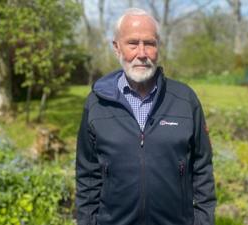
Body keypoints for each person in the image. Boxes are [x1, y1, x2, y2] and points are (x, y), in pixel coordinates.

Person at [76, 8, 216, 225]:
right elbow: (88, 176)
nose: (142, 53)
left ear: (157, 47)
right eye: (133, 43)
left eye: (149, 44)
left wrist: (203, 220)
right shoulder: (96, 104)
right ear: (117, 48)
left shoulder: (184, 100)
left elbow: (202, 168)